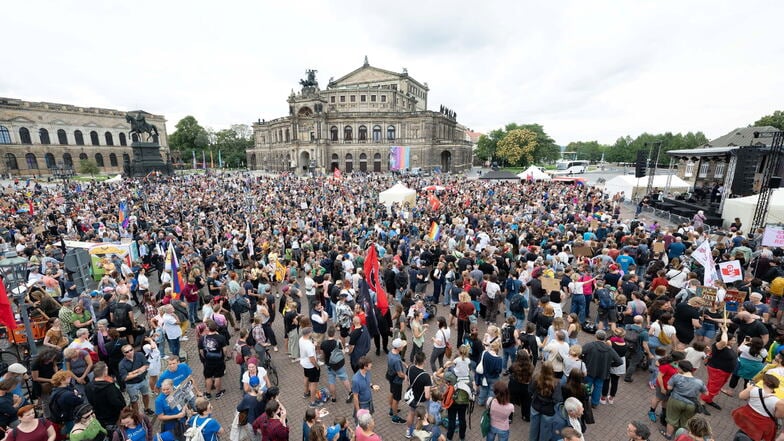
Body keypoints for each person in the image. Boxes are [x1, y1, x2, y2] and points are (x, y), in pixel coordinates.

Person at [662, 360, 707, 440]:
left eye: (678, 367)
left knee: (672, 419)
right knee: (685, 421)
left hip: (676, 401)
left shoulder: (676, 377)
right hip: (691, 404)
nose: (677, 369)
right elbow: (706, 393)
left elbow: (669, 387)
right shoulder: (699, 382)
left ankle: (668, 435)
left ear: (681, 369)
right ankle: (681, 436)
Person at [731, 374, 784, 441]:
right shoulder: (778, 401)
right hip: (762, 423)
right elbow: (778, 415)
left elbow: (741, 396)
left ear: (764, 382)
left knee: (744, 431)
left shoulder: (753, 389)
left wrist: (748, 389)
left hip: (747, 416)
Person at [84, 361, 127, 429]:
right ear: (105, 372)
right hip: (113, 418)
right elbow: (117, 403)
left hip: (99, 417)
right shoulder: (109, 388)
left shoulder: (88, 386)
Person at [118, 344, 154, 416]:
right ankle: (136, 415)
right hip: (131, 384)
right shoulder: (121, 364)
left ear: (133, 349)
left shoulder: (140, 355)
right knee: (134, 401)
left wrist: (132, 373)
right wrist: (139, 372)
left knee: (146, 394)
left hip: (143, 380)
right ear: (123, 353)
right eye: (127, 352)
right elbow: (125, 377)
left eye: (131, 350)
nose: (130, 352)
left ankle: (146, 409)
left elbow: (146, 365)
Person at [199, 319, 229, 399]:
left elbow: (201, 351)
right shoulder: (221, 338)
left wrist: (205, 357)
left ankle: (208, 394)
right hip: (219, 360)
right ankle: (218, 393)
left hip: (208, 361)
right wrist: (224, 357)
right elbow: (225, 350)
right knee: (218, 376)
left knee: (208, 377)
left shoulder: (202, 338)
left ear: (208, 328)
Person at [405, 351, 432, 439]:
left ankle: (409, 431)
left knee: (411, 413)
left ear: (415, 360)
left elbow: (407, 380)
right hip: (422, 401)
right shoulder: (426, 376)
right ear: (424, 361)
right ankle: (419, 432)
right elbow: (427, 396)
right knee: (422, 417)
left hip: (413, 398)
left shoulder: (410, 367)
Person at [386, 337, 407, 424]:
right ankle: (395, 417)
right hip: (397, 381)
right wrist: (406, 376)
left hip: (390, 376)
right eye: (402, 345)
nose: (403, 346)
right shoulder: (397, 360)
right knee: (396, 399)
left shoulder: (391, 352)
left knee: (392, 392)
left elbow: (398, 359)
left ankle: (391, 410)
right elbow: (400, 374)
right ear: (398, 348)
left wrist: (403, 363)